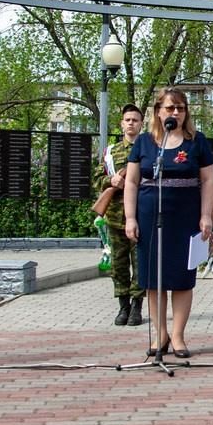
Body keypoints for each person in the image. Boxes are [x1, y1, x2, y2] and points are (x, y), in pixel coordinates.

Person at [123, 89, 213, 361]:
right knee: (154, 279)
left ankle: (177, 335)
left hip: (185, 216)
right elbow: (131, 181)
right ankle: (159, 333)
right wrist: (130, 218)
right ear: (158, 112)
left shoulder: (197, 142)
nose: (175, 113)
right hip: (150, 216)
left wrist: (206, 215)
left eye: (180, 108)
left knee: (181, 278)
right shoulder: (144, 142)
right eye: (170, 108)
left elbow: (208, 180)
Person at [94, 105, 145, 328]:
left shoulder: (147, 149)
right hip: (115, 216)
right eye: (127, 120)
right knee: (119, 264)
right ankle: (123, 305)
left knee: (140, 264)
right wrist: (110, 181)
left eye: (135, 119)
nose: (131, 123)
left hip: (141, 215)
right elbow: (97, 178)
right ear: (121, 124)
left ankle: (137, 306)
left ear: (142, 124)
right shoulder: (110, 152)